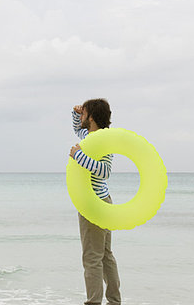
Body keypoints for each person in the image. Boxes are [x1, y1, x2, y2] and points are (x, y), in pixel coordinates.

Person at [69, 98, 121, 305]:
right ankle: (114, 301)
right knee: (105, 255)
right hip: (102, 202)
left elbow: (104, 171)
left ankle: (94, 302)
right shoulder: (88, 135)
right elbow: (77, 128)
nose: (80, 117)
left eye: (83, 113)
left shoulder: (103, 141)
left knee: (92, 258)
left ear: (91, 117)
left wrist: (78, 156)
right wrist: (75, 113)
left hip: (95, 205)